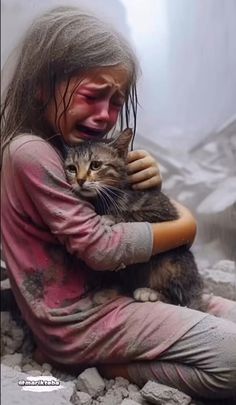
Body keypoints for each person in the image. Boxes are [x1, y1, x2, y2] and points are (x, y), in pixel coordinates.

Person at [1, 6, 236, 400]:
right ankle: (100, 367)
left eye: (116, 102)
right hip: (81, 322)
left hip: (123, 290)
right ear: (42, 85)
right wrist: (186, 224)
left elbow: (116, 206)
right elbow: (100, 246)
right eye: (94, 96)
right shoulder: (30, 153)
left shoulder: (62, 148)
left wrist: (146, 183)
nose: (106, 115)